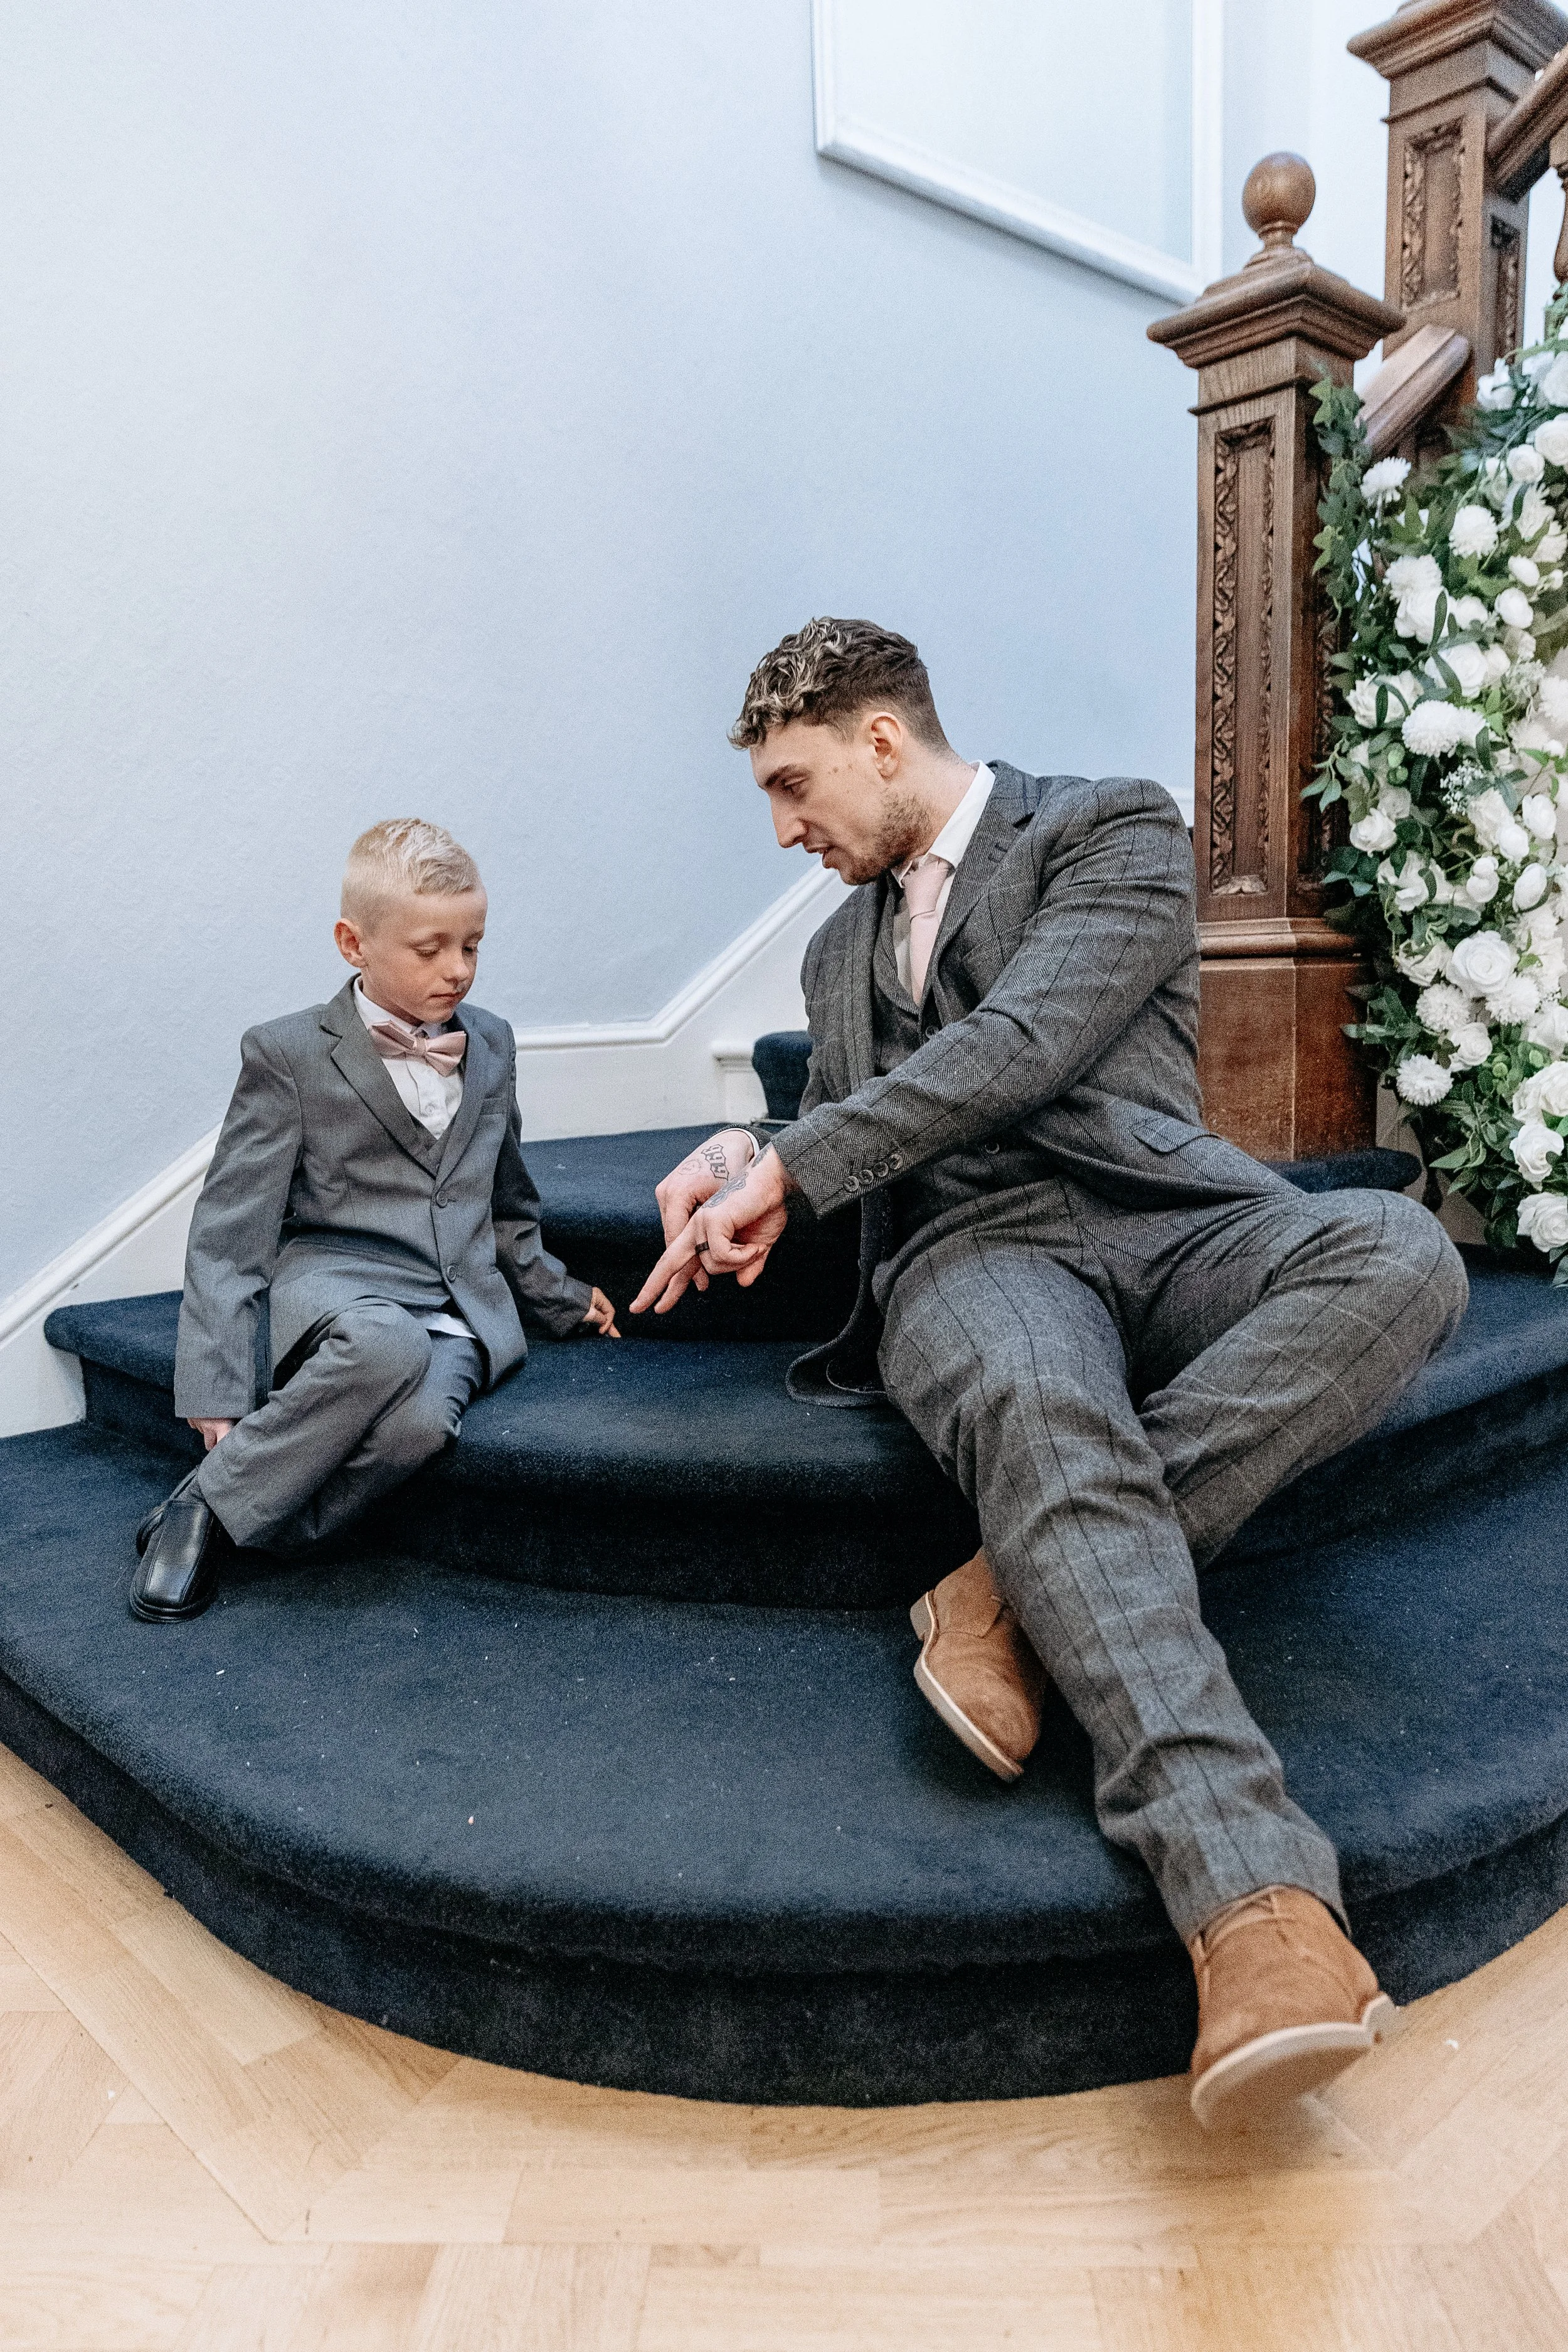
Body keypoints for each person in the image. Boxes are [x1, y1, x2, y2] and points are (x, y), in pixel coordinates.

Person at [632, 617, 1468, 2130]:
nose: (785, 830)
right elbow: (856, 1124)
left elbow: (1026, 1042)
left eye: (792, 784)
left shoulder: (1109, 827)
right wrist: (749, 1146)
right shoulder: (832, 953)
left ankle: (1007, 1588)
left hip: (1170, 1222)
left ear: (881, 738)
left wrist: (801, 1158)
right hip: (977, 1258)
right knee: (1039, 1403)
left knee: (1401, 1254)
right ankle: (1256, 1907)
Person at [132, 818, 618, 1624]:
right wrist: (216, 1384)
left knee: (418, 1430)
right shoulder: (287, 1053)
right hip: (340, 1284)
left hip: (453, 1303)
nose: (457, 969)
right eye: (430, 949)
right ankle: (203, 1514)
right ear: (353, 944)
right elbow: (229, 1229)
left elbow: (507, 1201)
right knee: (385, 1343)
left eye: (472, 945)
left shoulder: (491, 1042)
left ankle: (234, 1520)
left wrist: (557, 1296)